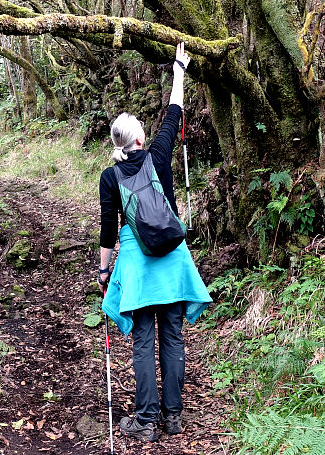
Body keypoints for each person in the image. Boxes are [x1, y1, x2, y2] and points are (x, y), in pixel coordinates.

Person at [97, 43, 212, 442]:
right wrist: (179, 69)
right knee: (174, 335)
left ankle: (145, 421)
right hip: (174, 259)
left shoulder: (110, 178)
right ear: (141, 137)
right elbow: (175, 112)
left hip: (138, 264)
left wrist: (104, 270)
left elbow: (108, 230)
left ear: (115, 142)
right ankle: (174, 418)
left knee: (144, 341)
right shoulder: (159, 154)